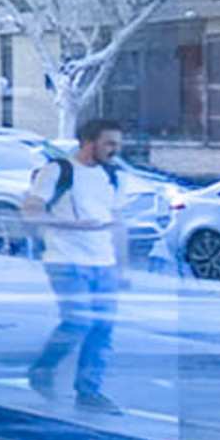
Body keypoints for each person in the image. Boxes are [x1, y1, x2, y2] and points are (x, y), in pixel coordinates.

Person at [20, 118, 130, 416]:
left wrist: (122, 268)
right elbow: (31, 212)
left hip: (103, 262)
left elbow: (118, 224)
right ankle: (43, 369)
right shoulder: (58, 171)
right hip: (65, 260)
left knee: (103, 328)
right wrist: (70, 224)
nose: (114, 150)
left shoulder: (115, 176)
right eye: (109, 143)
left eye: (117, 144)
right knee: (78, 321)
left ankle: (89, 391)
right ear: (88, 142)